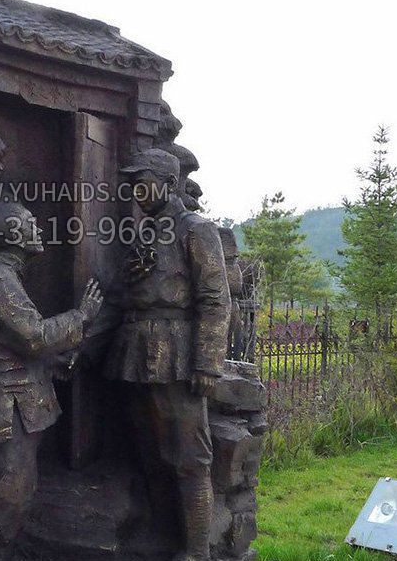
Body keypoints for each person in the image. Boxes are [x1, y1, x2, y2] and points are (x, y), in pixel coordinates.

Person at [0, 202, 103, 561]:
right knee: (1, 505)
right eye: (30, 224)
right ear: (12, 236)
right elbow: (34, 337)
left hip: (13, 410)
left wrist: (53, 363)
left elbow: (4, 349)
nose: (38, 230)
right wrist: (81, 317)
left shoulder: (3, 278)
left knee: (11, 500)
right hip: (2, 413)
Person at [104, 149, 231, 561]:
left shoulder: (196, 230)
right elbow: (123, 296)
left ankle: (196, 550)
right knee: (150, 452)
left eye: (143, 184)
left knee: (190, 458)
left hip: (177, 355)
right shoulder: (142, 232)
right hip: (135, 353)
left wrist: (207, 363)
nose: (137, 193)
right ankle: (162, 537)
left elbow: (215, 300)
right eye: (133, 186)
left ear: (169, 184)